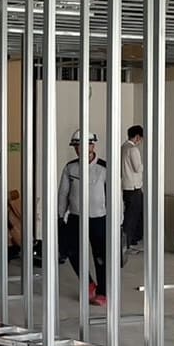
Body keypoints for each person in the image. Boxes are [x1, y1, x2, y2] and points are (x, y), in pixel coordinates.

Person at [58, 130, 108, 307]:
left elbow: (114, 196)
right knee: (71, 252)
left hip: (98, 219)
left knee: (100, 256)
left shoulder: (104, 168)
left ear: (92, 146)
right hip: (76, 218)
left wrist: (117, 221)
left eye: (83, 145)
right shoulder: (70, 168)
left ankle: (103, 292)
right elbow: (63, 193)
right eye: (76, 146)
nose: (79, 149)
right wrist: (59, 215)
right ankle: (88, 284)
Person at [121, 125, 144, 252]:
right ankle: (128, 244)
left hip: (126, 186)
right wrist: (144, 165)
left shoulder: (123, 147)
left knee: (130, 215)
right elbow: (137, 168)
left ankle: (129, 241)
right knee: (132, 217)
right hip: (134, 187)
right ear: (137, 137)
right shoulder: (133, 149)